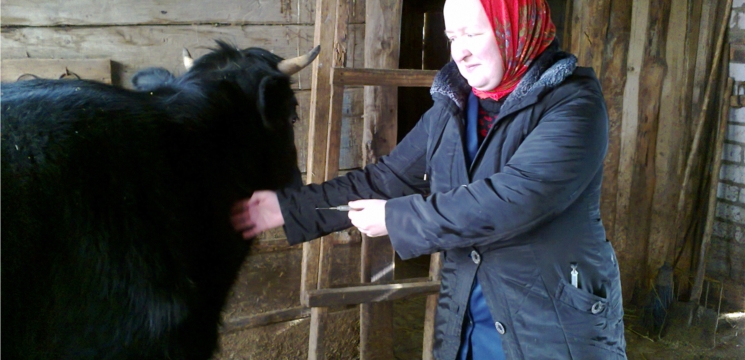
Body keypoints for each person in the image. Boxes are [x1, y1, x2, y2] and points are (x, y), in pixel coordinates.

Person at [231, 0, 627, 358]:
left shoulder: (573, 105)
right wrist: (285, 208)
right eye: (452, 36)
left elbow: (514, 199)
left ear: (516, 28)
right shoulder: (453, 105)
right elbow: (386, 179)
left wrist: (396, 218)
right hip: (466, 322)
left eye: (474, 34)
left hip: (552, 328)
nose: (461, 52)